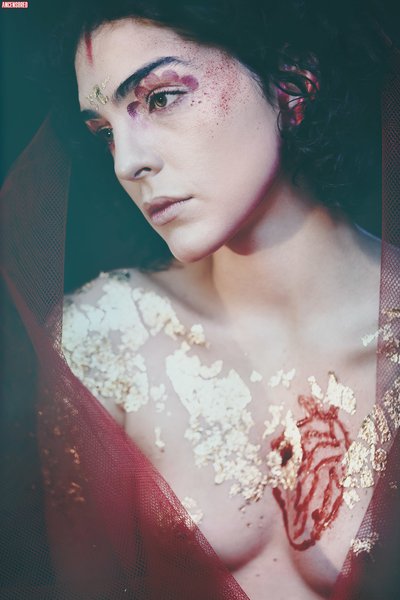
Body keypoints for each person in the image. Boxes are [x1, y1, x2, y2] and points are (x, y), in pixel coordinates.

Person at [1, 1, 399, 598]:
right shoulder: (104, 340)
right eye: (105, 132)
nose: (128, 162)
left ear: (292, 83)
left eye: (160, 98)